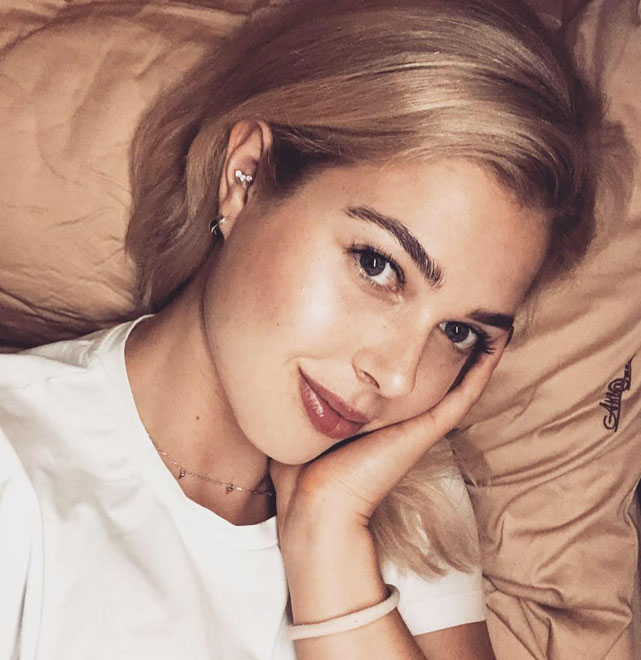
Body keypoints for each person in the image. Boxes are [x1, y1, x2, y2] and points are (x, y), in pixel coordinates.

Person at [0, 0, 596, 658]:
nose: (397, 376)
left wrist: (328, 538)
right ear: (246, 176)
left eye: (458, 332)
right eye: (378, 265)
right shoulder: (16, 468)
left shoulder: (406, 493)